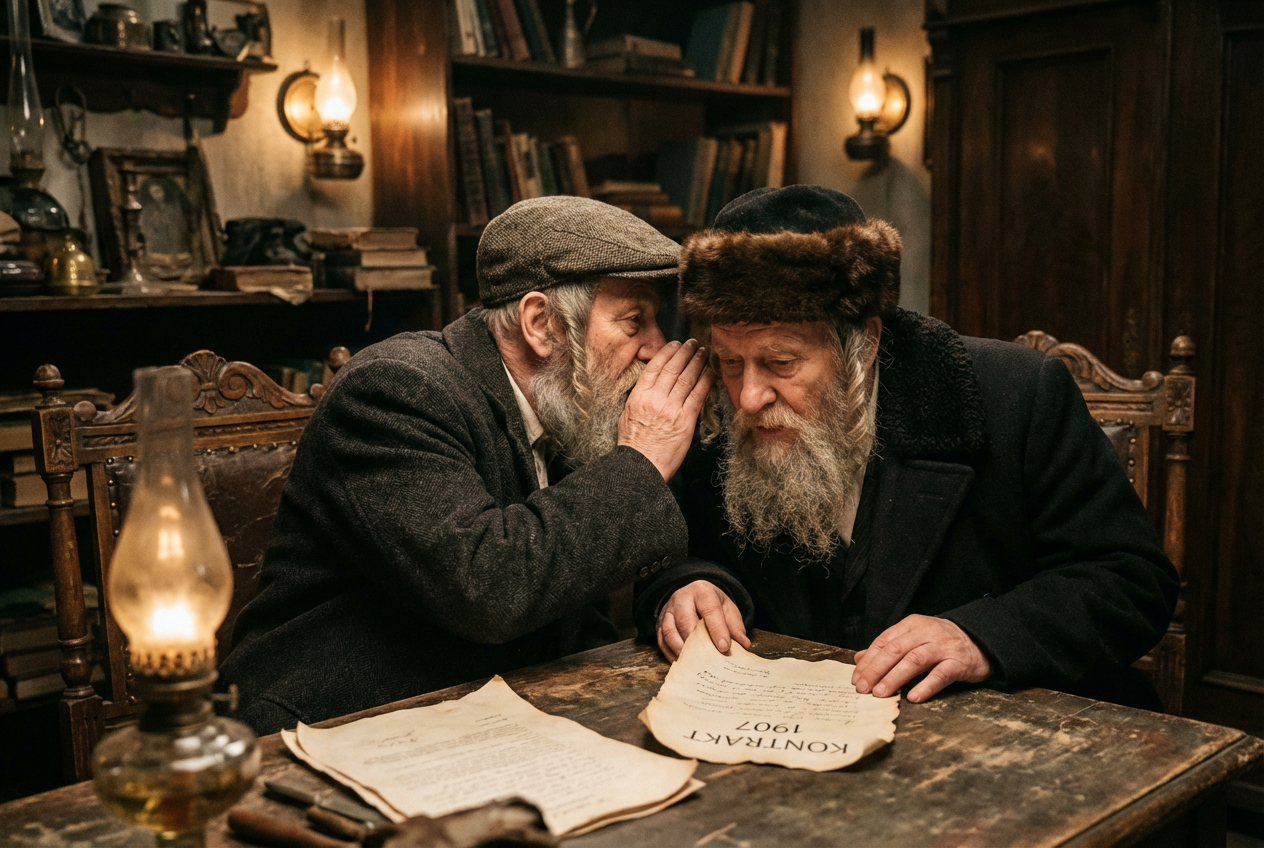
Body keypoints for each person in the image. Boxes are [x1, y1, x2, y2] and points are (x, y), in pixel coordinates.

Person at [634, 185, 1179, 709]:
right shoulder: (714, 409)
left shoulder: (1015, 394)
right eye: (732, 361)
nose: (749, 396)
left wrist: (981, 636)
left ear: (864, 344)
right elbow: (672, 549)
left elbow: (1130, 582)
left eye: (781, 363)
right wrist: (686, 586)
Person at [222, 197, 713, 733]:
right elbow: (488, 588)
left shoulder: (568, 405)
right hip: (328, 726)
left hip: (479, 717)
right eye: (634, 321)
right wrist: (641, 459)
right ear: (541, 325)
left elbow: (572, 608)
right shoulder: (395, 389)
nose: (656, 348)